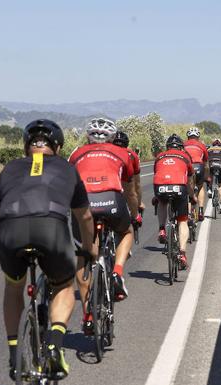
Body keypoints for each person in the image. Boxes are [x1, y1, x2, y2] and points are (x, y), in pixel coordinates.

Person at [0, 119, 97, 381]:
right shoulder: (67, 168)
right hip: (51, 228)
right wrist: (87, 249)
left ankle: (13, 353)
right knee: (63, 285)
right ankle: (53, 345)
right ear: (59, 147)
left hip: (10, 229)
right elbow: (84, 217)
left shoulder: (9, 168)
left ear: (26, 147)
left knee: (14, 286)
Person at [68, 118, 137, 335]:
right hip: (111, 200)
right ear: (113, 137)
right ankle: (117, 272)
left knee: (84, 254)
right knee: (126, 232)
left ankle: (88, 314)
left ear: (88, 136)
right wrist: (133, 215)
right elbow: (130, 191)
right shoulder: (122, 153)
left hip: (84, 203)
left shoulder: (76, 153)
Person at [153, 134, 195, 269]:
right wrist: (192, 196)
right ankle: (182, 253)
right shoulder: (185, 157)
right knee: (182, 221)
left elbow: (157, 173)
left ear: (167, 147)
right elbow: (189, 181)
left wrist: (157, 196)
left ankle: (161, 229)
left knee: (161, 202)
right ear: (181, 147)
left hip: (160, 186)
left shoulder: (160, 156)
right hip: (179, 187)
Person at [112, 131, 145, 229]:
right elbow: (137, 184)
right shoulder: (132, 155)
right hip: (124, 186)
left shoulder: (106, 152)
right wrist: (138, 204)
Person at [183, 126, 209, 221]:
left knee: (188, 189)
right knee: (201, 187)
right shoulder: (201, 145)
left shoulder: (183, 144)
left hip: (188, 167)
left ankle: (189, 214)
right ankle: (201, 211)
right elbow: (206, 164)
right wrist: (207, 177)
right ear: (198, 137)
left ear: (188, 136)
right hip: (199, 166)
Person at [207, 138, 221, 214]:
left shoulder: (209, 150)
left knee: (209, 174)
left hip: (212, 165)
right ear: (220, 144)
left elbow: (206, 160)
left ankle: (209, 189)